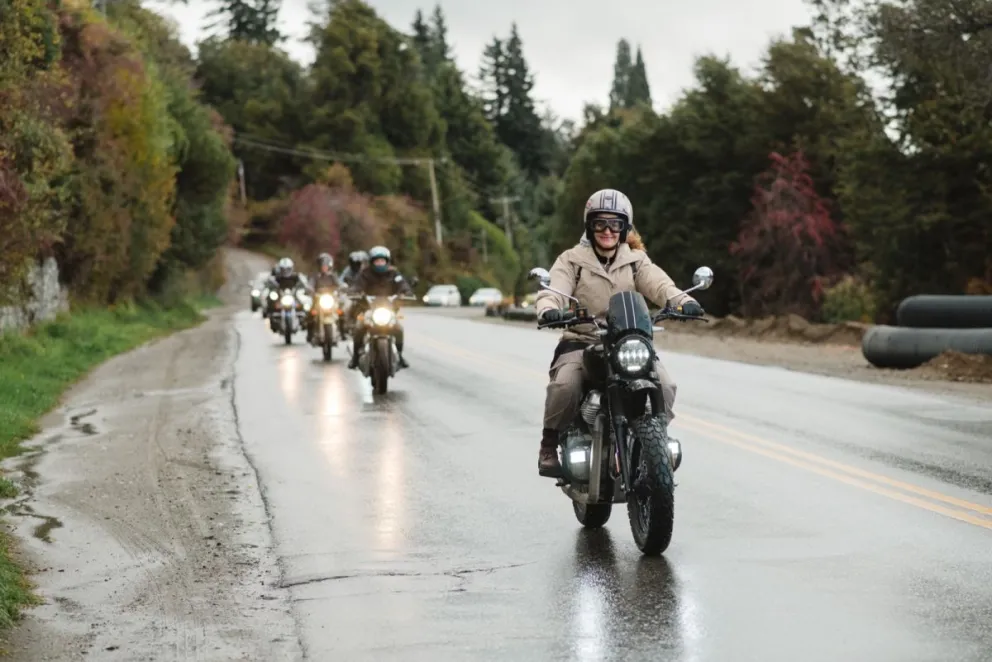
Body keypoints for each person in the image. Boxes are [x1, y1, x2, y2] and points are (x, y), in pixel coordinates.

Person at [534, 189, 705, 478]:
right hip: (583, 340)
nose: (608, 231)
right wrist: (549, 307)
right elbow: (556, 289)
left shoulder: (636, 260)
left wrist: (682, 301)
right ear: (589, 226)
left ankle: (654, 442)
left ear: (625, 228)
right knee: (565, 385)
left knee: (665, 384)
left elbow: (660, 285)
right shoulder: (572, 261)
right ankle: (549, 444)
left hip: (627, 341)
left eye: (615, 224)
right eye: (600, 223)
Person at [347, 245, 414, 370]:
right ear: (372, 262)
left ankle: (399, 355)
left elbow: (402, 284)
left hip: (388, 309)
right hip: (369, 309)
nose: (380, 263)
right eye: (377, 261)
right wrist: (355, 292)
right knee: (359, 328)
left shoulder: (393, 273)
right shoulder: (365, 274)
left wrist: (405, 292)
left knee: (398, 329)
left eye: (382, 260)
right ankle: (355, 357)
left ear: (387, 261)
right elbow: (357, 285)